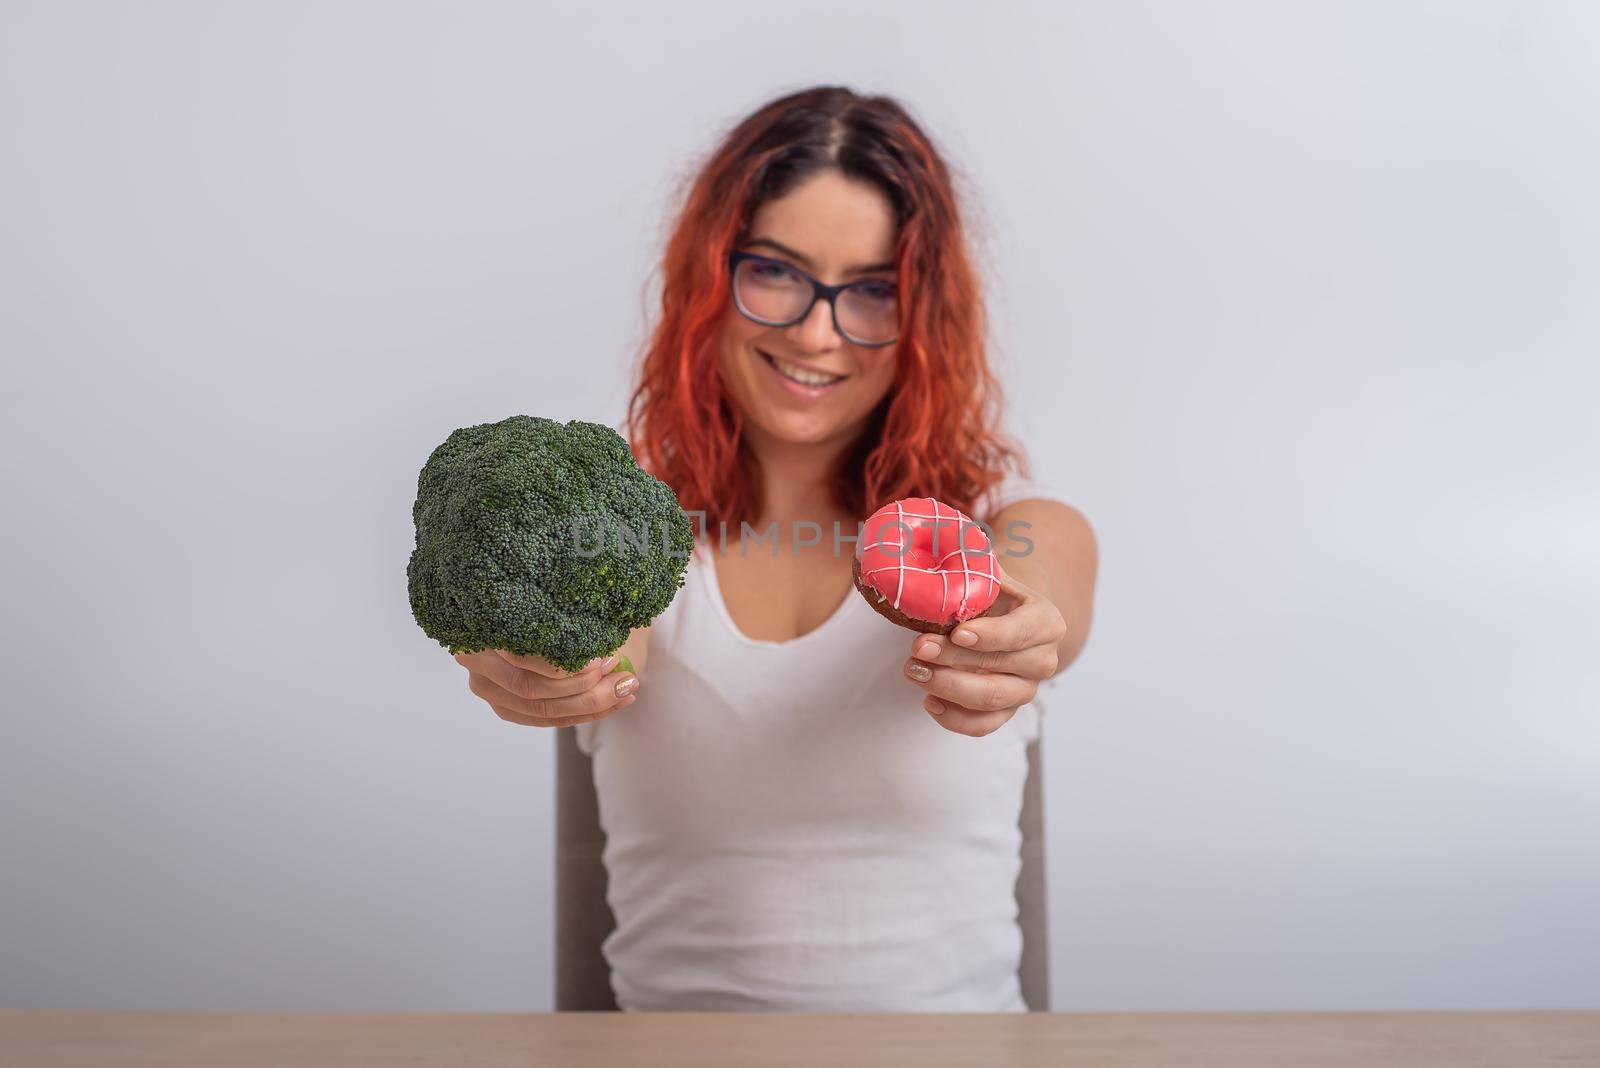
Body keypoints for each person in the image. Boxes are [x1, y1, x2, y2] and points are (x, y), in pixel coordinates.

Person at [453, 86, 1098, 1011]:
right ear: (712, 277)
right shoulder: (628, 530)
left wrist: (1017, 623)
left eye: (873, 290)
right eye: (776, 272)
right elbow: (611, 638)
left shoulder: (1014, 522)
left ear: (923, 318)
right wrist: (535, 644)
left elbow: (1040, 593)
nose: (816, 330)